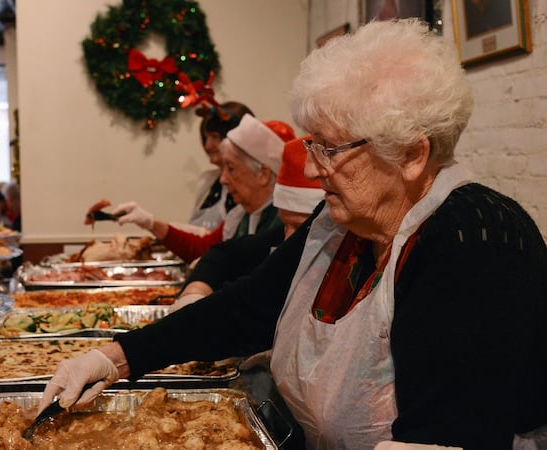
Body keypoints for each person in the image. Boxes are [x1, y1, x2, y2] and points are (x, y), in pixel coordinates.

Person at [40, 19, 547, 449]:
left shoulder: (475, 241)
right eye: (312, 142)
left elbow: (442, 435)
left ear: (413, 156)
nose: (310, 165)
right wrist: (114, 357)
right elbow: (246, 308)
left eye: (329, 147)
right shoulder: (340, 224)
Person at [88, 114, 287, 263]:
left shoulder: (285, 223)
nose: (224, 179)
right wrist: (149, 222)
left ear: (263, 174)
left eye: (231, 169)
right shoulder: (241, 216)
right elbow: (202, 248)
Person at [171, 136, 323, 311]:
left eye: (231, 168)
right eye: (286, 224)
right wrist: (195, 292)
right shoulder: (279, 233)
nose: (223, 179)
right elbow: (224, 253)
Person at [188, 101, 253, 231]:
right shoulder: (207, 181)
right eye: (205, 138)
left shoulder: (251, 185)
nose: (208, 146)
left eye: (214, 136)